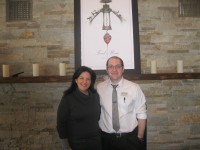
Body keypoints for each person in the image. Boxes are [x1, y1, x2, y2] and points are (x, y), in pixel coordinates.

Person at [97, 56, 147, 150]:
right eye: (111, 66)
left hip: (129, 139)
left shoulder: (134, 88)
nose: (114, 69)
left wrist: (139, 138)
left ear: (123, 69)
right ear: (107, 69)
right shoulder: (100, 88)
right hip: (106, 139)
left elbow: (142, 114)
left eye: (118, 66)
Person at [57, 66, 102, 150]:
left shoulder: (95, 96)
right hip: (76, 144)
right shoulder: (68, 98)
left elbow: (97, 117)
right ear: (76, 80)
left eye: (88, 79)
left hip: (96, 143)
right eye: (81, 78)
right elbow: (61, 124)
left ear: (91, 81)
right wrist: (65, 146)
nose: (84, 82)